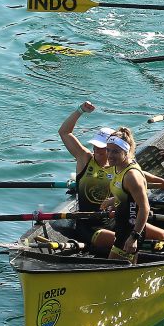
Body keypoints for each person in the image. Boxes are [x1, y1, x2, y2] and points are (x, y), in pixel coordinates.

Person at [92, 128, 164, 260]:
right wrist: (113, 200)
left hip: (131, 230)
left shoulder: (131, 176)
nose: (109, 155)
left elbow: (145, 208)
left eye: (115, 151)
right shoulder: (119, 166)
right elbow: (127, 192)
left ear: (126, 151)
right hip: (122, 227)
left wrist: (134, 237)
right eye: (108, 150)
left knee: (114, 273)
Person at [57, 101, 116, 238]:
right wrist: (80, 111)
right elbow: (64, 132)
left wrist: (162, 182)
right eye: (95, 145)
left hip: (111, 219)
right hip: (88, 224)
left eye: (101, 146)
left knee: (160, 235)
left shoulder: (119, 166)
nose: (96, 149)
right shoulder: (85, 158)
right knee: (120, 240)